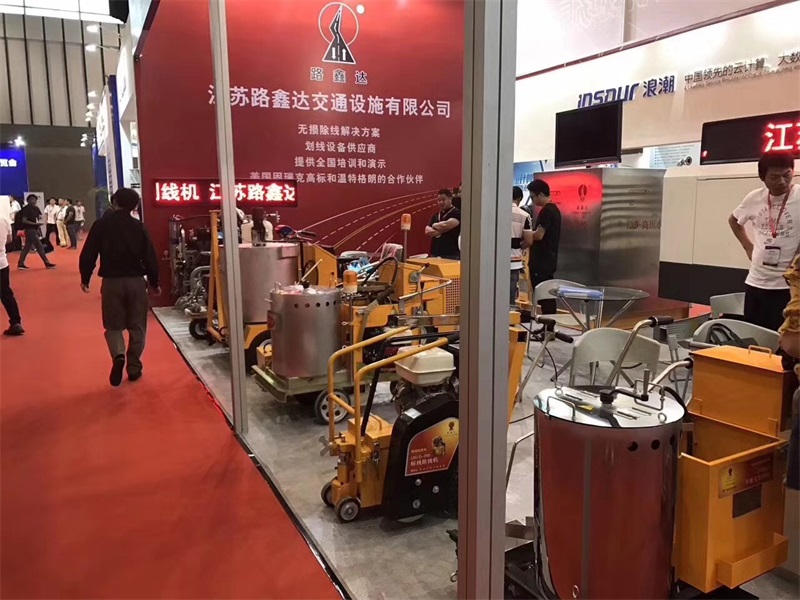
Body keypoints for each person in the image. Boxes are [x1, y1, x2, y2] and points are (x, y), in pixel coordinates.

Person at [79, 188, 160, 387]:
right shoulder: (138, 226)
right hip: (136, 282)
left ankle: (118, 355)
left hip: (111, 282)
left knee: (113, 325)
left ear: (114, 202)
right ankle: (134, 366)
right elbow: (150, 256)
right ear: (135, 205)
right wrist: (154, 282)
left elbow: (89, 253)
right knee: (137, 326)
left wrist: (85, 277)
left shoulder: (101, 225)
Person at [729, 150, 798, 331]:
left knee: (783, 339)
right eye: (774, 177)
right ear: (762, 177)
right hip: (756, 282)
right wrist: (748, 247)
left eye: (787, 175)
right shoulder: (754, 198)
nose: (782, 181)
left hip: (788, 286)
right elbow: (734, 221)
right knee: (754, 335)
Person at [527, 179, 561, 315]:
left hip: (541, 261)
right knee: (547, 295)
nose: (532, 201)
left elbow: (539, 235)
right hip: (548, 259)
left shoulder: (546, 211)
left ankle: (549, 323)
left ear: (540, 194)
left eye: (532, 197)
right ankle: (549, 323)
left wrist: (525, 234)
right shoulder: (554, 210)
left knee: (544, 296)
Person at [17, 194, 56, 270]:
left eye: (35, 199)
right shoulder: (26, 209)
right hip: (29, 229)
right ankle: (47, 263)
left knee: (27, 247)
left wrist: (38, 226)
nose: (34, 201)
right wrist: (35, 224)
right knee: (39, 246)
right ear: (28, 200)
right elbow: (24, 220)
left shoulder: (36, 208)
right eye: (32, 199)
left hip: (34, 229)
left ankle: (20, 263)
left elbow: (39, 217)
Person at [0, 210, 23, 335]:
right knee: (6, 293)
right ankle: (15, 322)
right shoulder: (3, 220)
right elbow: (9, 240)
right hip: (2, 262)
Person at [511, 186, 533, 306]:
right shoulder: (524, 215)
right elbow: (529, 240)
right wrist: (518, 247)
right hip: (514, 262)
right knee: (510, 298)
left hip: (495, 262)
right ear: (519, 198)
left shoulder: (495, 212)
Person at [425, 188, 461, 259]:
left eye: (443, 199)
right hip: (435, 253)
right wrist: (439, 231)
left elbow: (445, 225)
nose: (441, 202)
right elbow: (427, 230)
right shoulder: (435, 215)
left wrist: (434, 225)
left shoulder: (456, 213)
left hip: (451, 255)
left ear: (450, 199)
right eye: (439, 200)